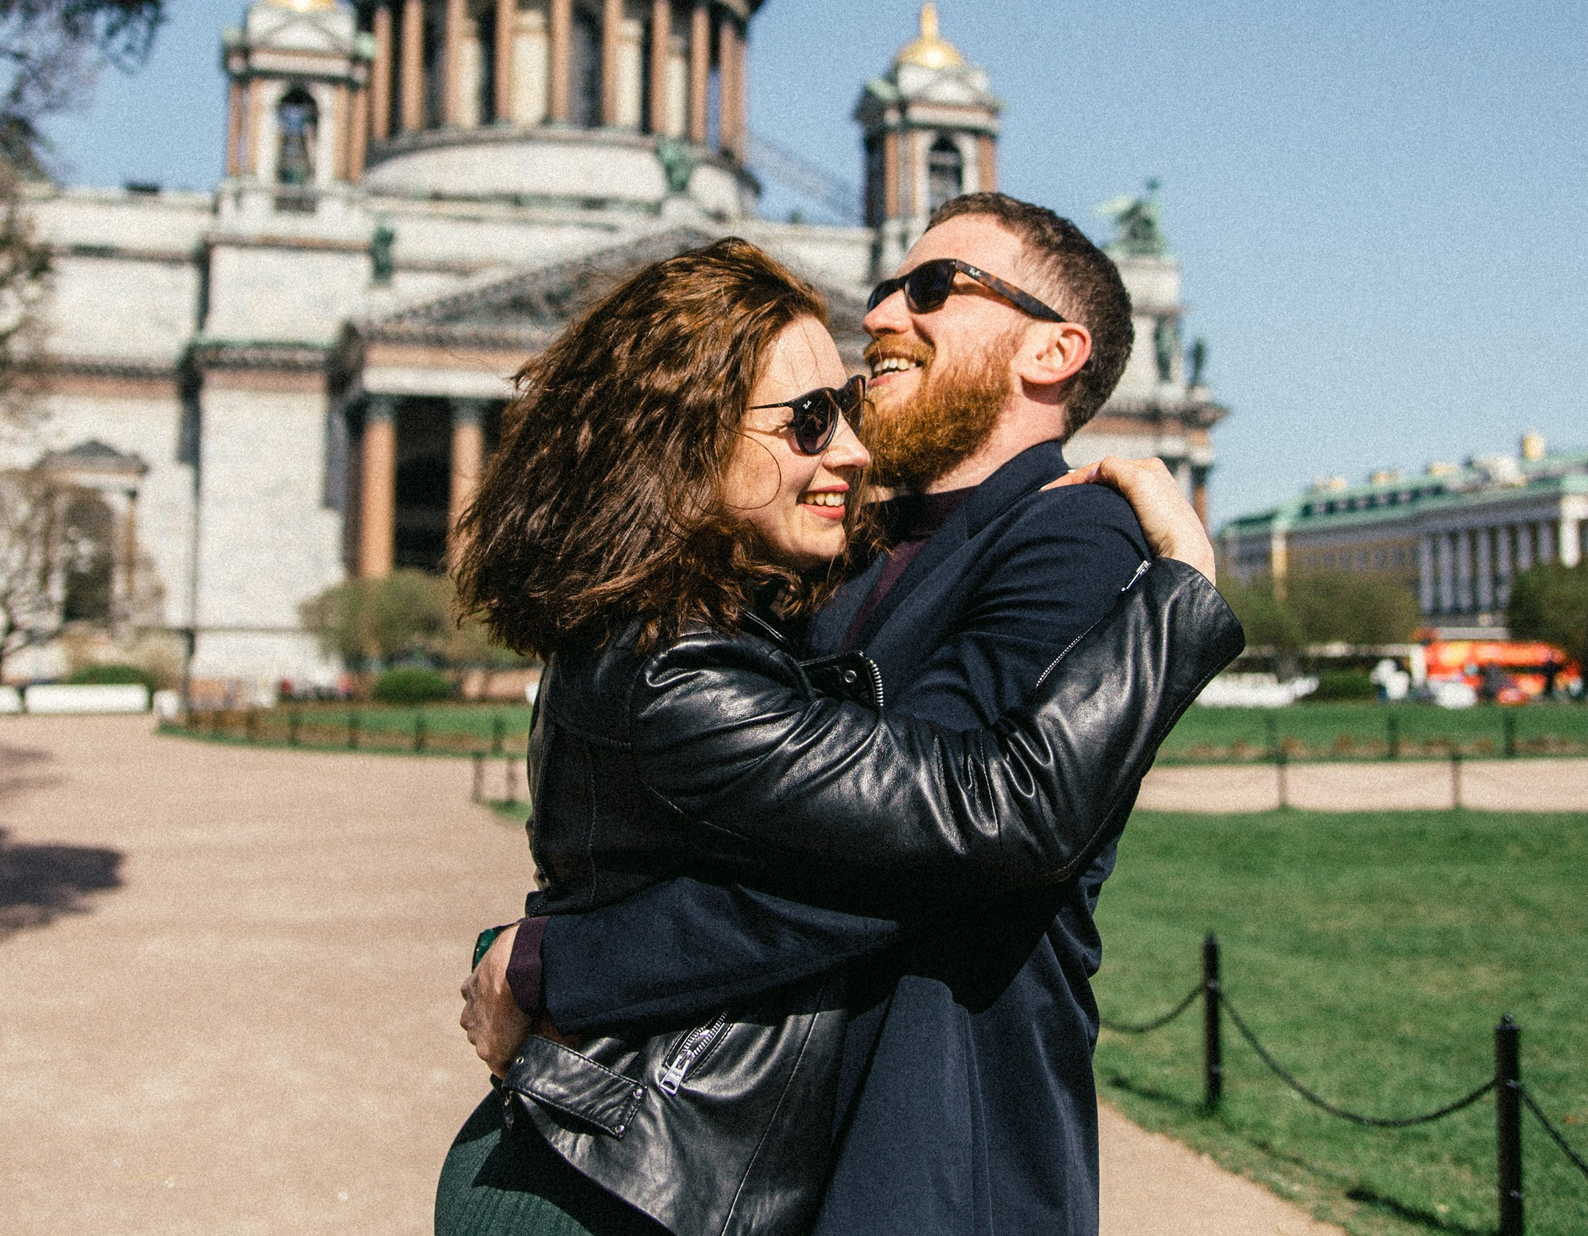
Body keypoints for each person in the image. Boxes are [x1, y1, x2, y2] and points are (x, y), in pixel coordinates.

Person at [436, 236, 1237, 1236]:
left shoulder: (1067, 535)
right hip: (674, 1157)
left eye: (933, 286)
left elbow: (964, 834)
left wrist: (557, 960)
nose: (883, 313)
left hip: (930, 1134)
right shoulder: (747, 599)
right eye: (815, 419)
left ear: (1053, 350)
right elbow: (857, 837)